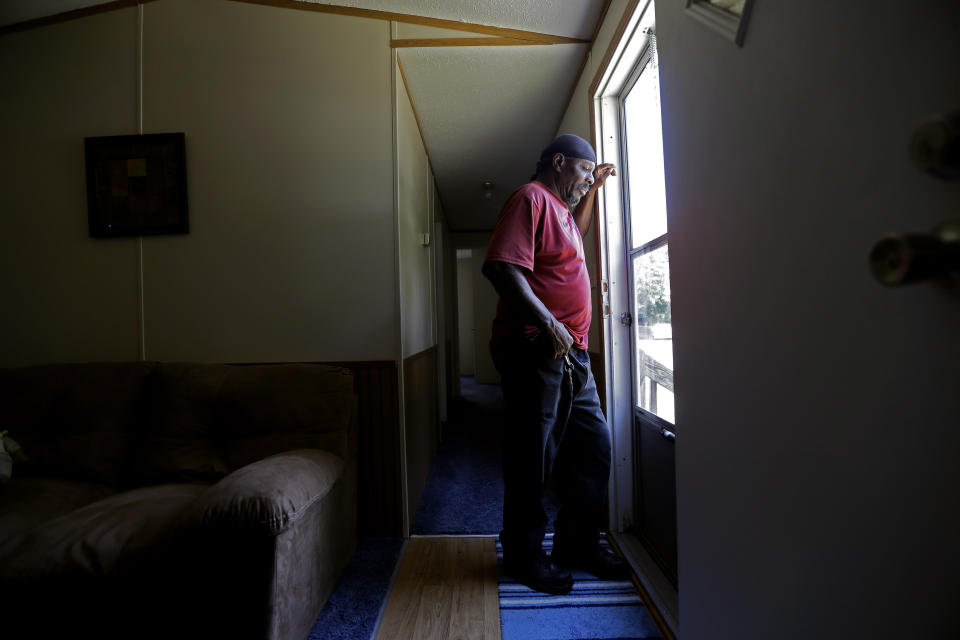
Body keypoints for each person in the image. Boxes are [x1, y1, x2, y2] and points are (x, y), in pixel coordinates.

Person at [482, 134, 625, 595]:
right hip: (537, 349)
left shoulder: (561, 211)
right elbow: (503, 268)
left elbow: (572, 236)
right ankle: (524, 555)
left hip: (573, 354)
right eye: (584, 171)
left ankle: (577, 544)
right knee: (532, 456)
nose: (587, 180)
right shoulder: (530, 198)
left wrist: (594, 192)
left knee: (593, 448)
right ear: (559, 162)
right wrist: (548, 324)